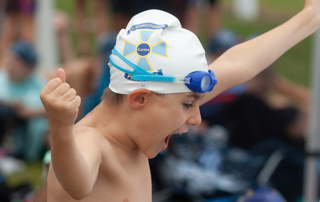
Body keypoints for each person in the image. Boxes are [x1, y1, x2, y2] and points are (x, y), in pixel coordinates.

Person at [41, 2, 320, 201]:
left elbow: (236, 64)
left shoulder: (142, 122)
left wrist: (310, 17)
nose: (197, 118)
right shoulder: (90, 140)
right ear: (139, 98)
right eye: (189, 104)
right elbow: (77, 183)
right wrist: (62, 129)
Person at [0, 41, 48, 161]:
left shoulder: (40, 85)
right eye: (9, 62)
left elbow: (49, 110)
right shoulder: (2, 79)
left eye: (15, 65)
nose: (10, 67)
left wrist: (23, 110)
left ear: (29, 68)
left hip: (30, 137)